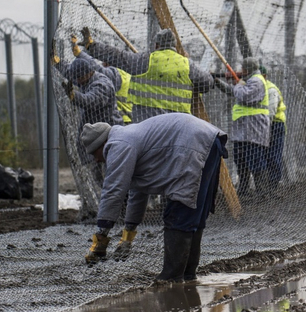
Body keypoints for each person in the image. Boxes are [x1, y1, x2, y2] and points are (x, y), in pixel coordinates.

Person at [80, 113, 228, 283]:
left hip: (192, 145)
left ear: (101, 145)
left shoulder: (118, 144)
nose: (97, 160)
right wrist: (127, 237)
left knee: (180, 213)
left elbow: (113, 190)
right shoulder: (129, 138)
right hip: (206, 140)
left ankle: (171, 279)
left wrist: (101, 235)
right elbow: (138, 192)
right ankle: (187, 276)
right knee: (192, 213)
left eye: (94, 153)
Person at [78, 27, 213, 122]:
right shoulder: (187, 65)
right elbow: (207, 83)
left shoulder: (145, 61)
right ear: (175, 46)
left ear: (156, 45)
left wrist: (92, 47)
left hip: (147, 126)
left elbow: (117, 57)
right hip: (178, 127)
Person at [214, 57, 270, 196]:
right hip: (243, 129)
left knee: (255, 160)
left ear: (248, 69)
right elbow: (233, 91)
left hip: (253, 128)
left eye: (243, 68)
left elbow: (243, 95)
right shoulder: (249, 81)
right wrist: (217, 82)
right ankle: (244, 190)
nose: (241, 71)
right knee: (241, 160)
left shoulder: (256, 81)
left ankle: (262, 192)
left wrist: (238, 83)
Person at [72, 35, 133, 124]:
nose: (102, 63)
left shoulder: (117, 75)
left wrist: (80, 54)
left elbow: (99, 70)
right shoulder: (127, 74)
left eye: (104, 61)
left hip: (119, 122)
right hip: (129, 121)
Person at [63, 57, 122, 127]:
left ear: (89, 73)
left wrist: (74, 95)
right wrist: (57, 62)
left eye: (80, 78)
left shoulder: (102, 85)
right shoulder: (85, 80)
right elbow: (68, 72)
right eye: (76, 78)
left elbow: (89, 100)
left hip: (109, 128)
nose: (78, 81)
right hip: (96, 126)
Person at [261, 66, 286, 186]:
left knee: (273, 154)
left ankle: (274, 183)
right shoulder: (258, 87)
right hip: (265, 124)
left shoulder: (270, 89)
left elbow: (271, 111)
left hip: (275, 125)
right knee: (265, 155)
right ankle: (268, 183)